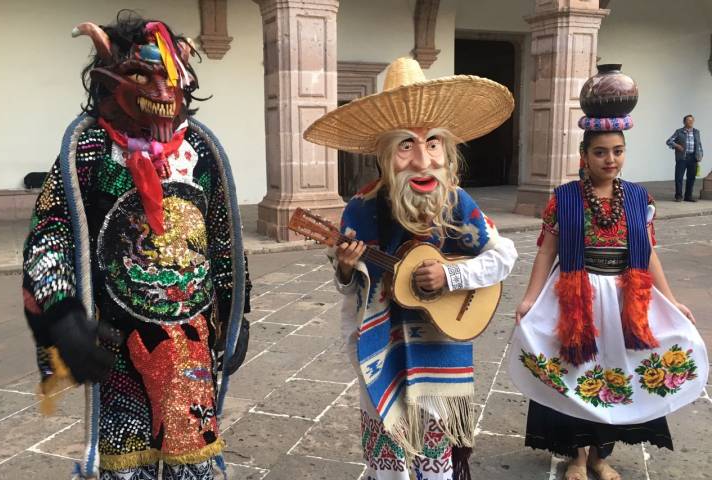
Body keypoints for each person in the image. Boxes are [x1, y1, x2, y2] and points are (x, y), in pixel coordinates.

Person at [21, 12, 250, 480]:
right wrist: (62, 314)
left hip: (190, 341)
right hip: (118, 338)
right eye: (140, 74)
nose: (158, 87)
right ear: (109, 79)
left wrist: (236, 315)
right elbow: (51, 232)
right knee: (125, 464)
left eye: (166, 74)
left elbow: (225, 239)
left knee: (195, 462)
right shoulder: (86, 152)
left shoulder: (202, 153)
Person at [303, 57, 519, 480]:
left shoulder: (456, 203)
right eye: (407, 146)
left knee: (434, 457)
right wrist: (347, 270)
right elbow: (348, 288)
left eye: (433, 143)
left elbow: (503, 257)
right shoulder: (361, 210)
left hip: (439, 349)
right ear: (385, 155)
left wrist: (451, 277)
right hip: (382, 344)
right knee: (388, 457)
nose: (423, 161)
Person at [510, 68, 708, 480]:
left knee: (620, 373)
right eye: (601, 152)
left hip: (623, 300)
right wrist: (530, 299)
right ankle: (578, 457)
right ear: (584, 156)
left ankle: (601, 455)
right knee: (577, 372)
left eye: (618, 151)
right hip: (576, 297)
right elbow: (547, 251)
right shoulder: (563, 198)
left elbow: (649, 255)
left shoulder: (639, 197)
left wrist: (671, 301)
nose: (610, 160)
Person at [666, 115, 703, 202]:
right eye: (688, 120)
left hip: (693, 158)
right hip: (682, 158)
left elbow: (699, 144)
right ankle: (678, 196)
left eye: (692, 120)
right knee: (679, 177)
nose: (690, 122)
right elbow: (669, 141)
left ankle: (688, 196)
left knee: (691, 178)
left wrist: (700, 154)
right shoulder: (679, 132)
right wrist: (677, 145)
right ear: (684, 122)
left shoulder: (696, 132)